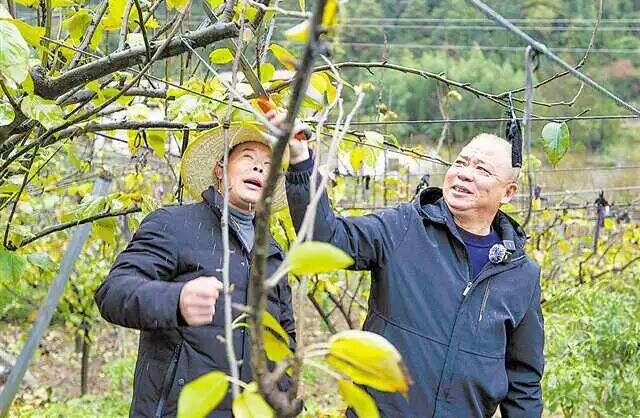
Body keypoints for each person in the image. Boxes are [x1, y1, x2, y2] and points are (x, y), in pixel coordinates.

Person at [285, 132, 544, 417]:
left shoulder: (521, 275)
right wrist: (301, 161)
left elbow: (523, 383)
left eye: (482, 169)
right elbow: (325, 239)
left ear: (508, 192)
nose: (465, 174)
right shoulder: (404, 227)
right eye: (461, 163)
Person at [95, 122, 296, 417]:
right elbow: (113, 292)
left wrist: (284, 394)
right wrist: (176, 300)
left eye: (269, 165)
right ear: (220, 169)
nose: (258, 168)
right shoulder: (174, 225)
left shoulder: (273, 252)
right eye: (248, 158)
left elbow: (284, 335)